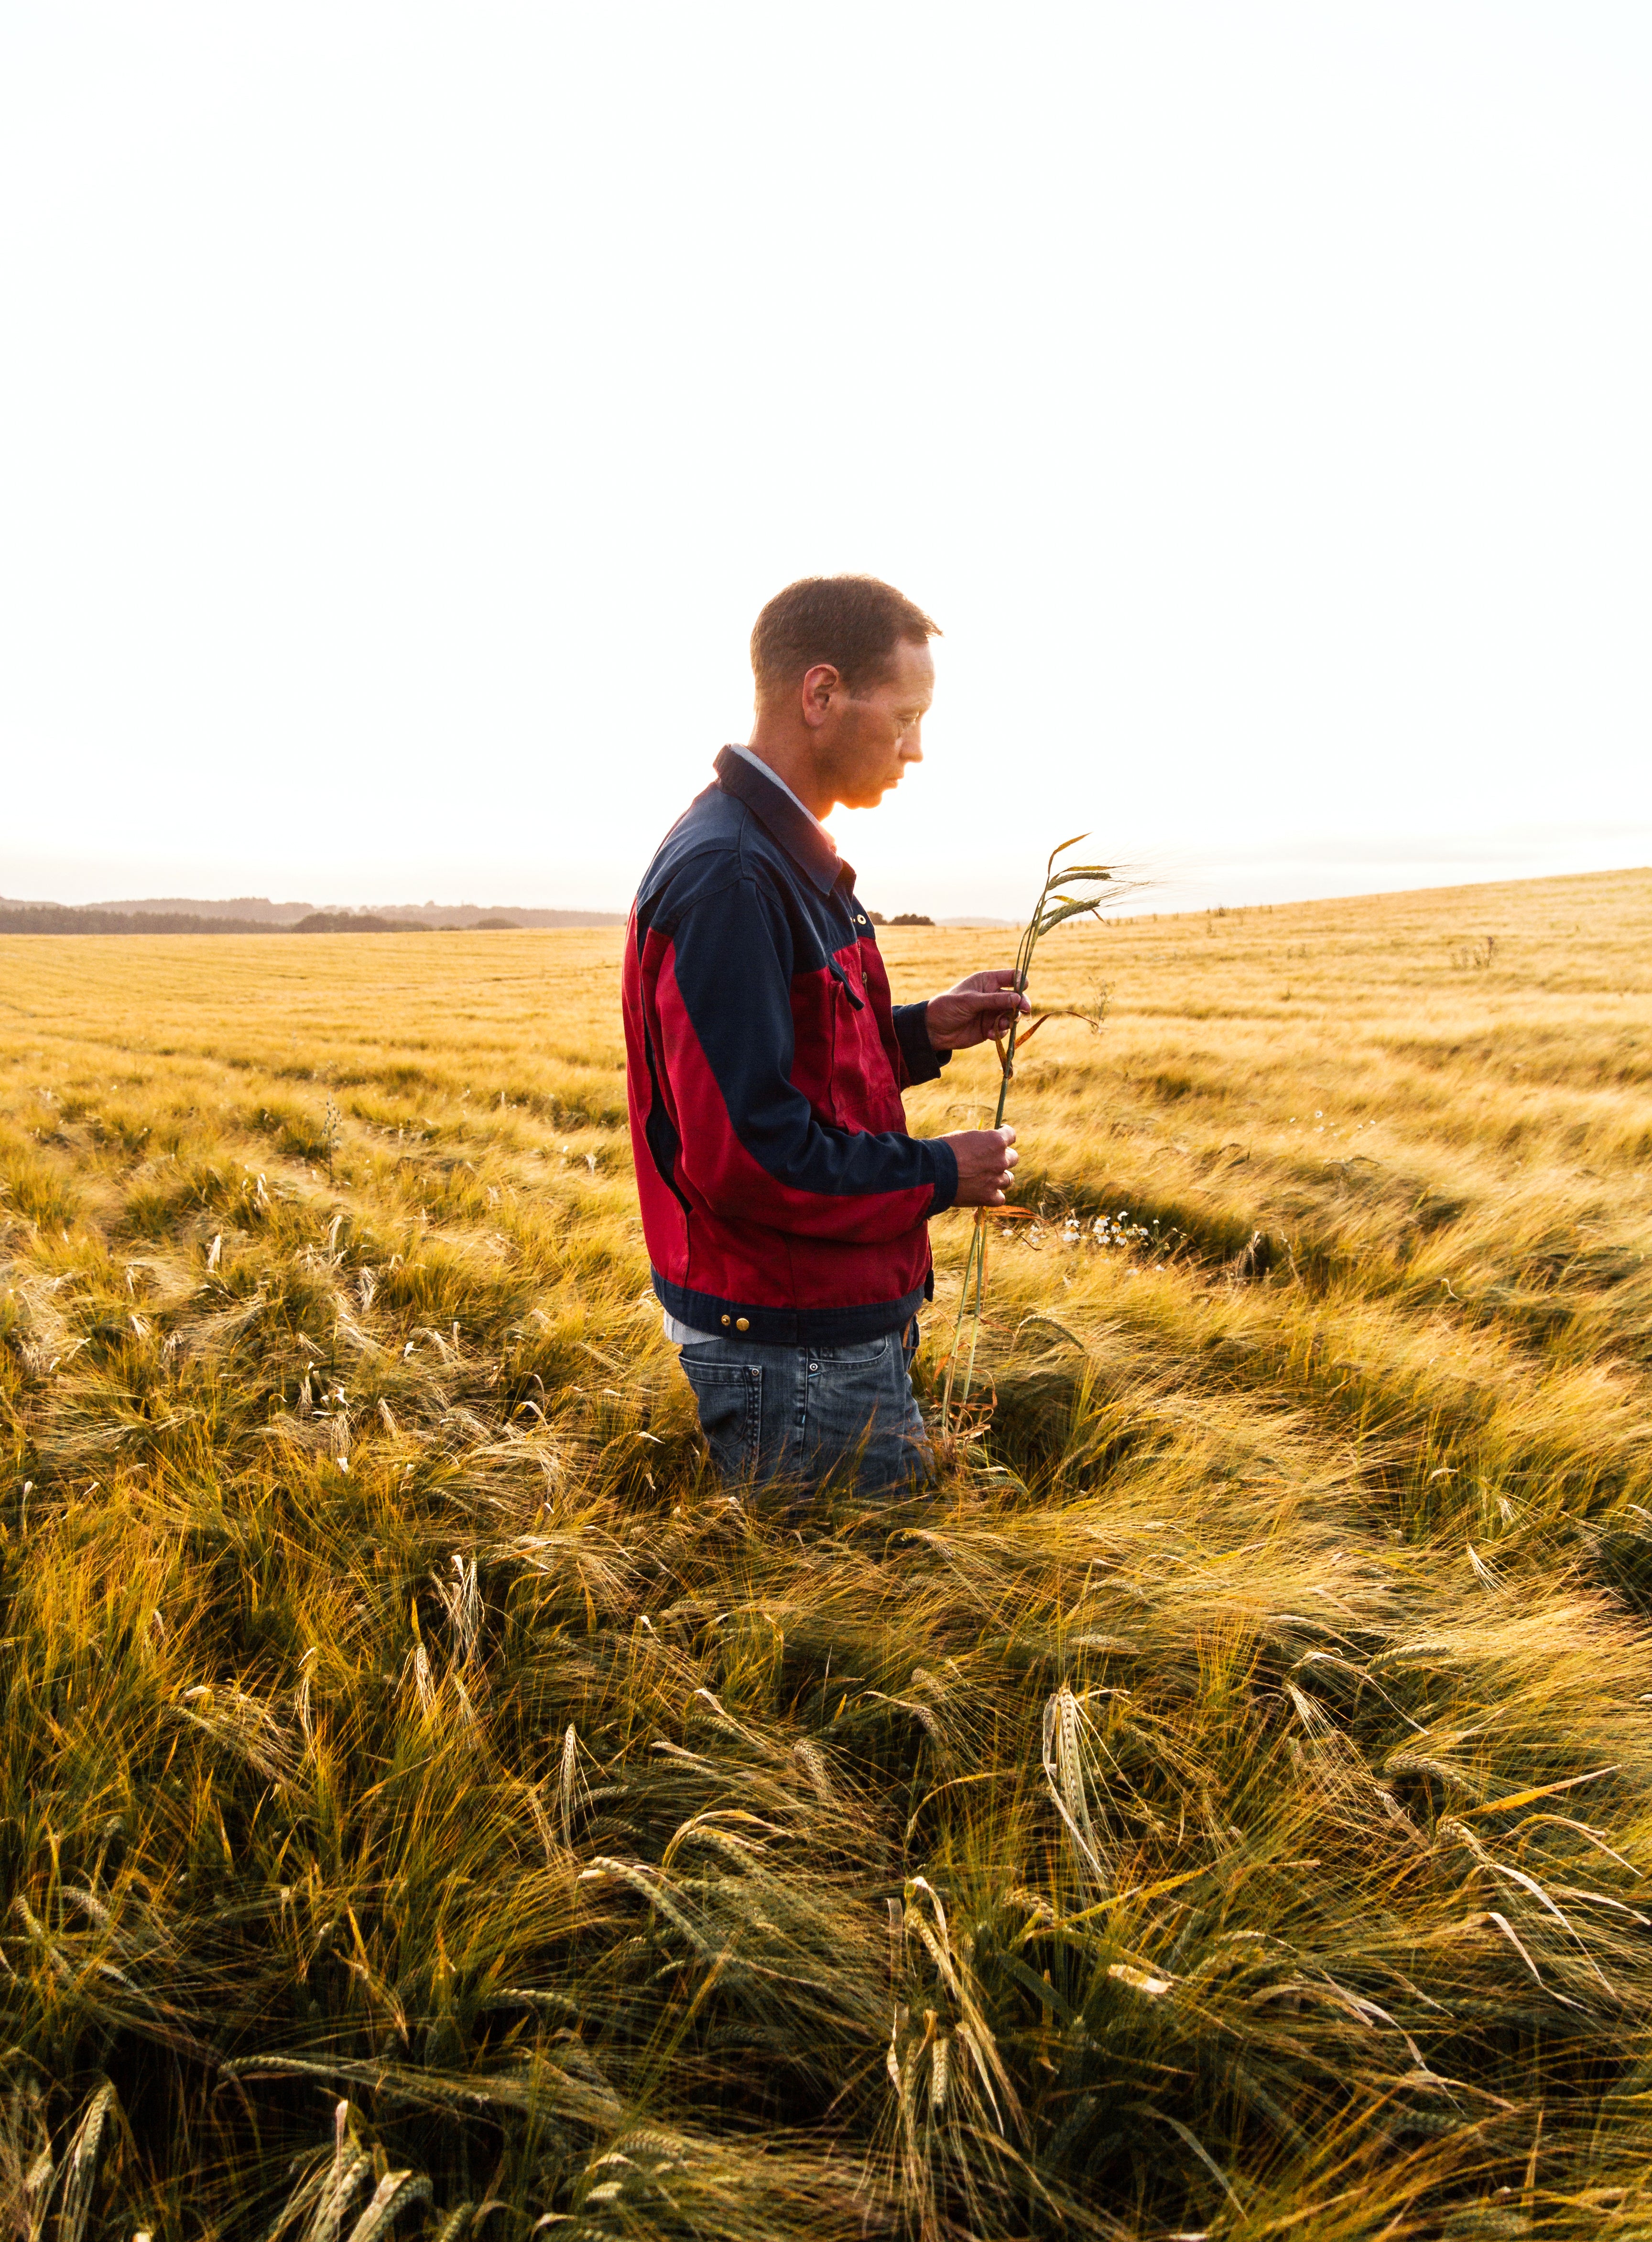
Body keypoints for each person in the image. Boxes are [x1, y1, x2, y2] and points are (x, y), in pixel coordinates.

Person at [621, 575, 1027, 1496]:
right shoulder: (734, 876)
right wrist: (939, 1174)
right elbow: (750, 1156)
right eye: (907, 717)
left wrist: (928, 1031)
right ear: (821, 694)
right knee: (858, 1629)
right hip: (795, 1350)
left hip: (821, 1331)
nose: (916, 749)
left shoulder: (778, 855)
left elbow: (797, 1063)